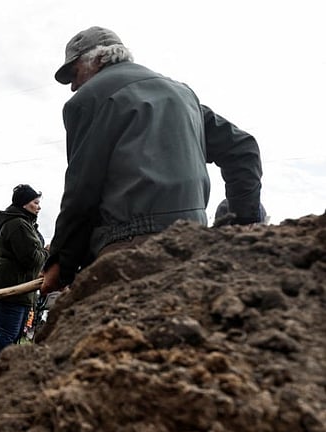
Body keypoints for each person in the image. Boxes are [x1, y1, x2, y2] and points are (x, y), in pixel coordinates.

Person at [41, 26, 264, 295]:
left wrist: (61, 264)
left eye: (74, 74)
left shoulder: (88, 99)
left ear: (98, 59)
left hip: (128, 250)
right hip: (192, 247)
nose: (74, 86)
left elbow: (82, 190)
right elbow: (243, 149)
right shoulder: (183, 94)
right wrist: (240, 224)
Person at [0, 185, 47, 387]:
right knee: (7, 334)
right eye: (35, 202)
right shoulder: (18, 225)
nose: (38, 207)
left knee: (4, 333)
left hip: (18, 286)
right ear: (24, 203)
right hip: (14, 286)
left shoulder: (22, 223)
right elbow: (31, 258)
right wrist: (46, 251)